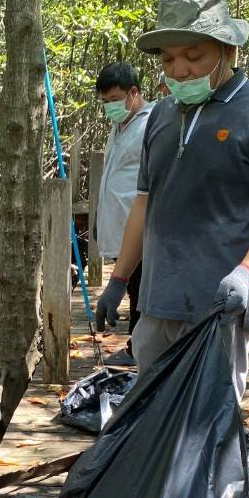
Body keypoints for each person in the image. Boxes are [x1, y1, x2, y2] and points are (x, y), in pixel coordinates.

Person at [96, 0, 249, 399]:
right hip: (156, 300)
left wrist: (247, 271)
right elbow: (144, 203)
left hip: (219, 306)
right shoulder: (161, 116)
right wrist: (119, 278)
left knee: (210, 422)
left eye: (194, 56)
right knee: (151, 414)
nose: (180, 70)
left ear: (228, 51)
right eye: (169, 59)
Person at [92, 61, 154, 364]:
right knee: (132, 287)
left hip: (142, 223)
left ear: (134, 92)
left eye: (114, 100)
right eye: (104, 102)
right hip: (119, 222)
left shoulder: (152, 122)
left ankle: (138, 349)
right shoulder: (119, 126)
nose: (109, 107)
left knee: (142, 285)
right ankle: (137, 345)